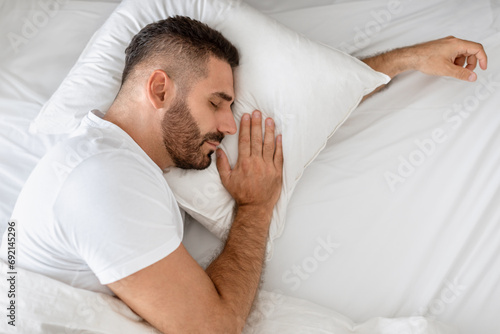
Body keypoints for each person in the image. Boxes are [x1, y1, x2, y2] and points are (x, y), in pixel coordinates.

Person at [0, 14, 487, 334]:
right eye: (217, 103)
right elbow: (215, 330)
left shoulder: (109, 163)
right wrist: (255, 208)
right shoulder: (100, 178)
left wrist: (405, 60)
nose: (230, 126)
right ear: (159, 88)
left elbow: (311, 100)